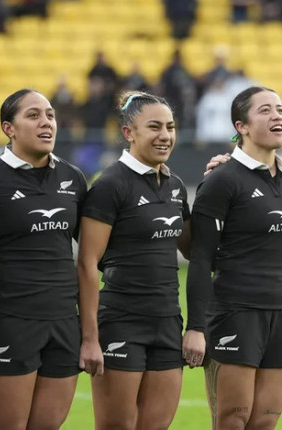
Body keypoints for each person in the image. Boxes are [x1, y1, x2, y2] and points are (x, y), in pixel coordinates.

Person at [185, 86, 282, 429]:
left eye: (280, 109)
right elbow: (200, 259)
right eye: (265, 111)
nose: (277, 116)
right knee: (233, 419)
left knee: (264, 422)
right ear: (241, 126)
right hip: (236, 313)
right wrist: (196, 328)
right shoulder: (221, 180)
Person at [0, 89, 90, 429]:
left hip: (64, 321)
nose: (46, 122)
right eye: (33, 115)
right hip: (8, 317)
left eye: (50, 115)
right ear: (9, 128)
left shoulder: (73, 178)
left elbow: (93, 249)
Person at [79, 91, 191, 430]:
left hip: (168, 321)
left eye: (170, 127)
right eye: (154, 126)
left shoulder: (174, 185)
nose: (165, 135)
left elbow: (192, 248)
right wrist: (90, 337)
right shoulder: (110, 185)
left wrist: (221, 183)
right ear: (129, 133)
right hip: (121, 321)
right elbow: (86, 262)